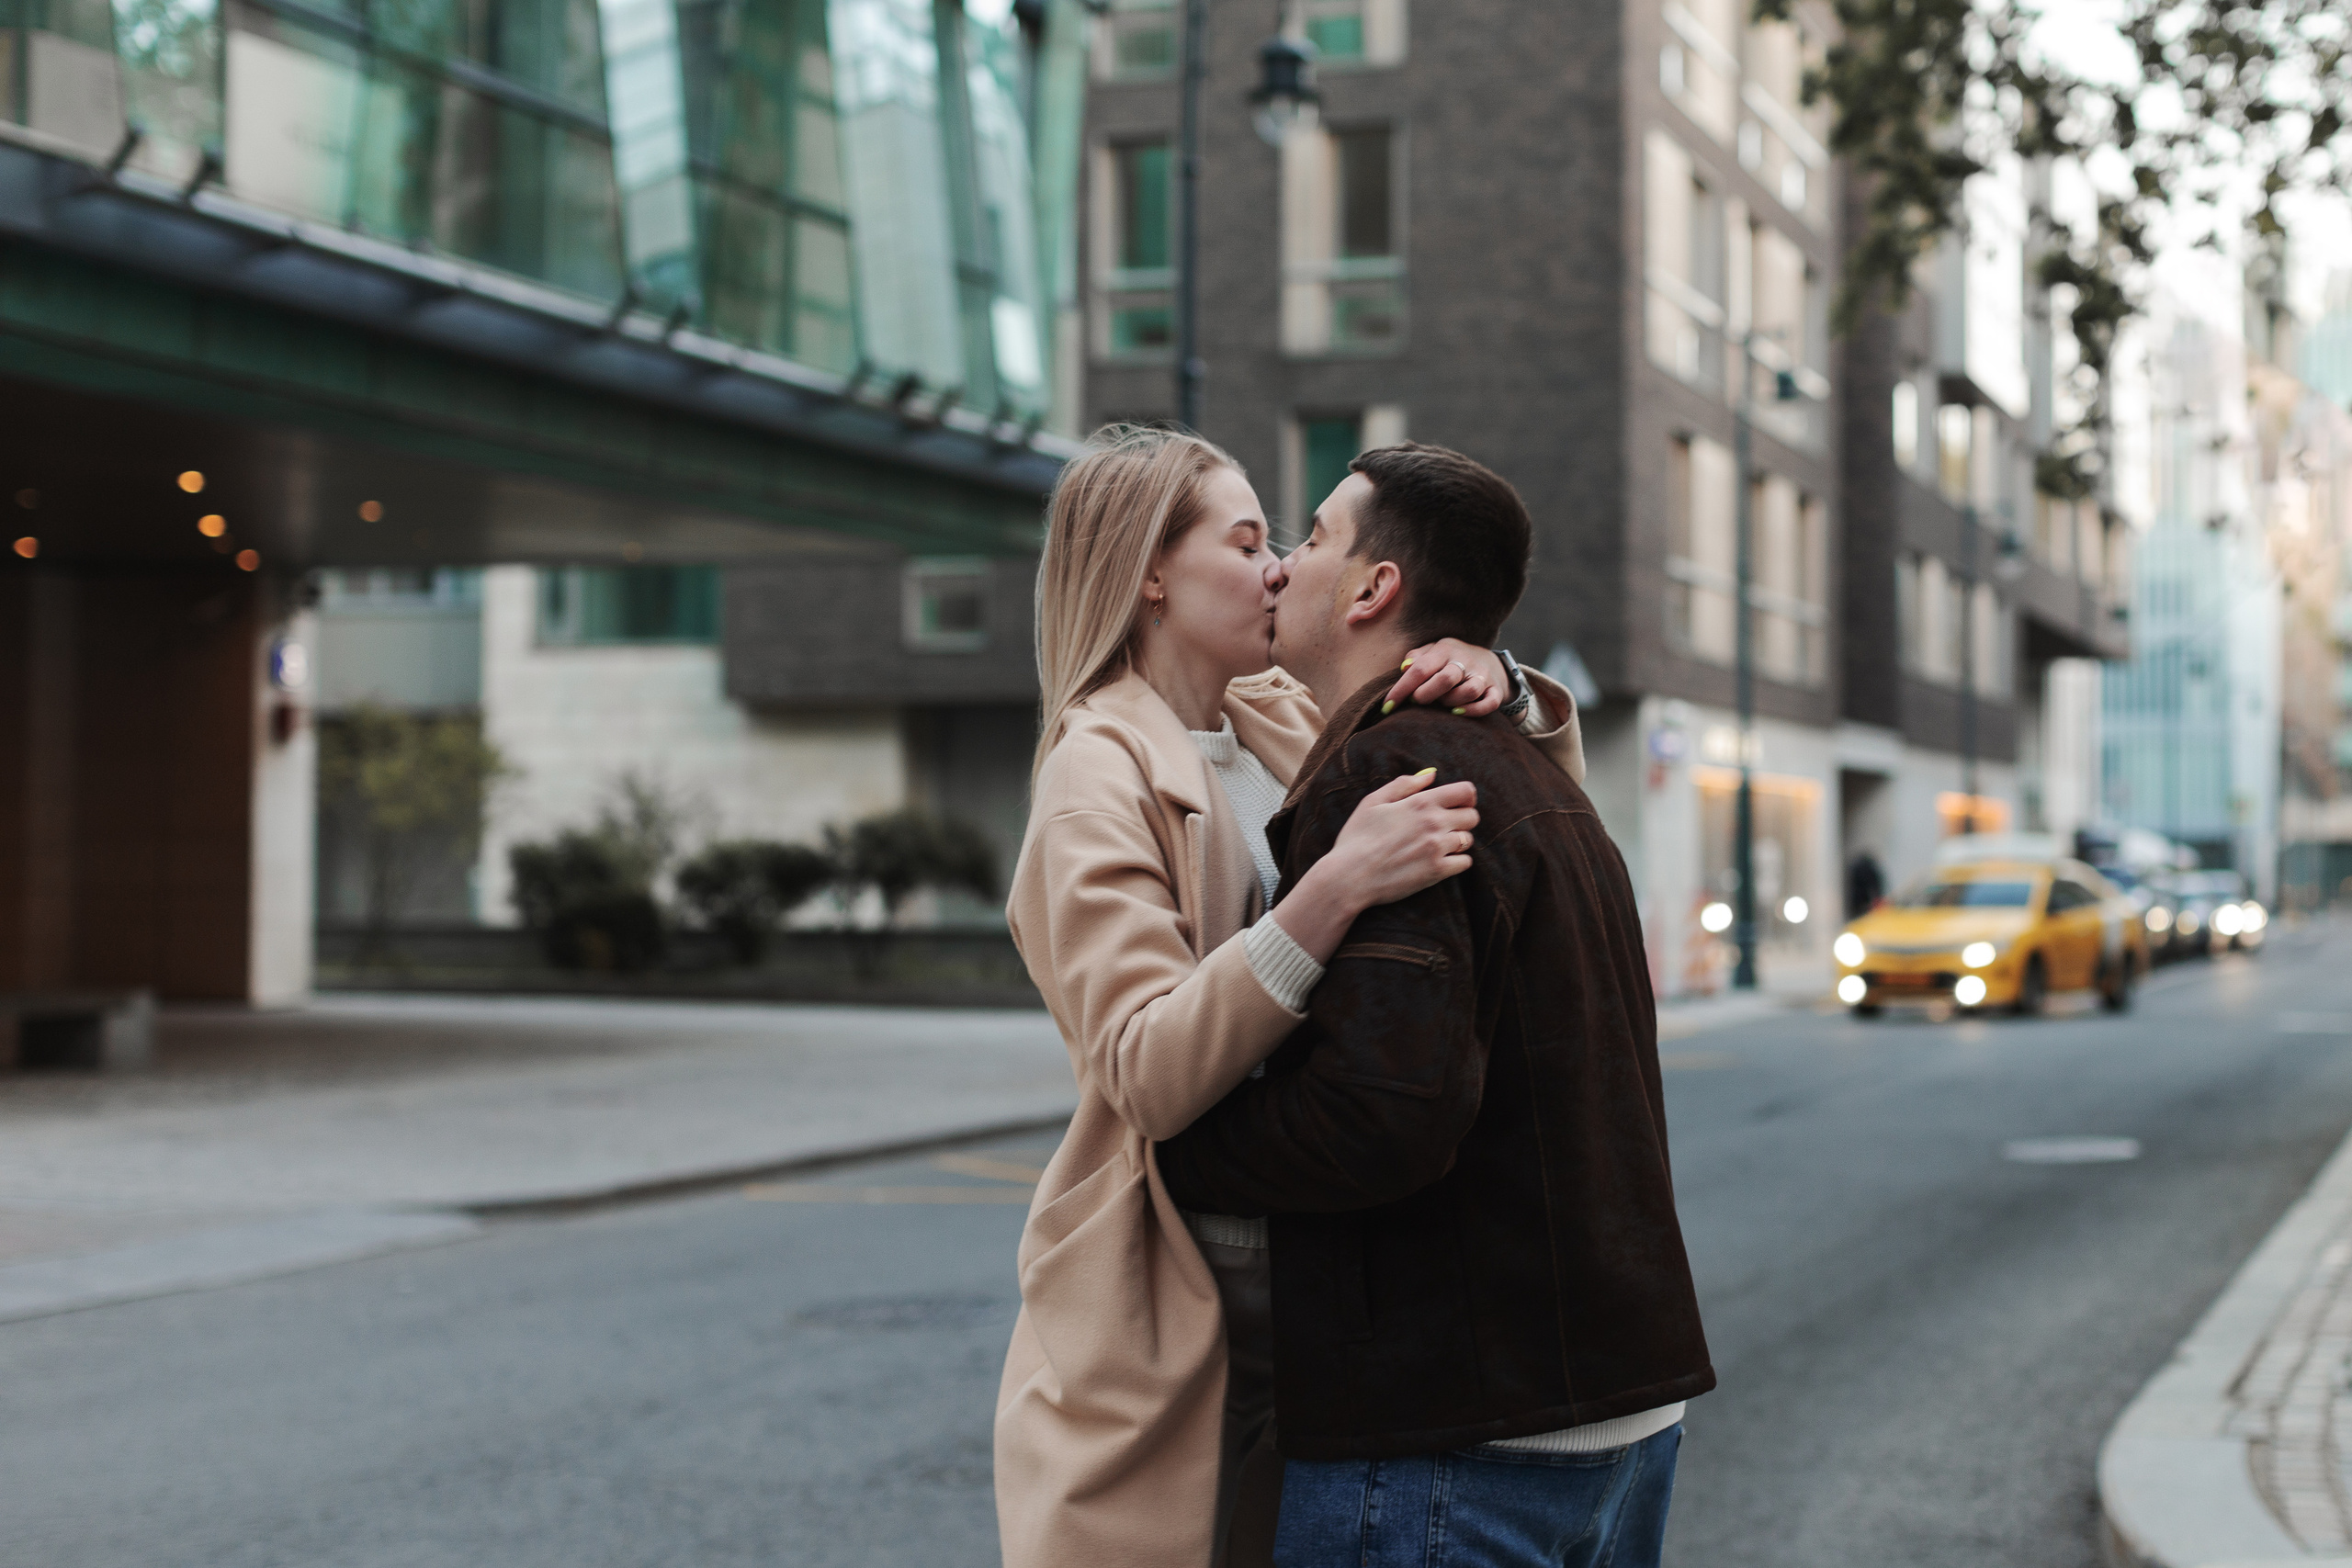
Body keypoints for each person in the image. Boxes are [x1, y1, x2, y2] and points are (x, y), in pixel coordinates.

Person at [996, 426, 1587, 1568]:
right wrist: (1329, 890)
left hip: (1318, 1277)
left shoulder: (1270, 716)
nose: (1278, 567)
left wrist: (1500, 682)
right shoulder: (1092, 774)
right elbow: (1143, 1070)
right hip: (1179, 1292)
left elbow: (1507, 825)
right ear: (1149, 573)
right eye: (1246, 539)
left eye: (1284, 540)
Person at [1154, 443, 1715, 1568]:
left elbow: (1380, 1113)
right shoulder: (1537, 774)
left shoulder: (1391, 778)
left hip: (1452, 1431)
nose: (1283, 568)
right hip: (1616, 1410)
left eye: (1309, 537)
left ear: (1373, 589)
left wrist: (1174, 1149)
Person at [1848, 849, 1885, 919]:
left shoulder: (1855, 868)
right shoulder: (1869, 869)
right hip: (1863, 905)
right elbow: (1875, 888)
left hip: (1857, 905)